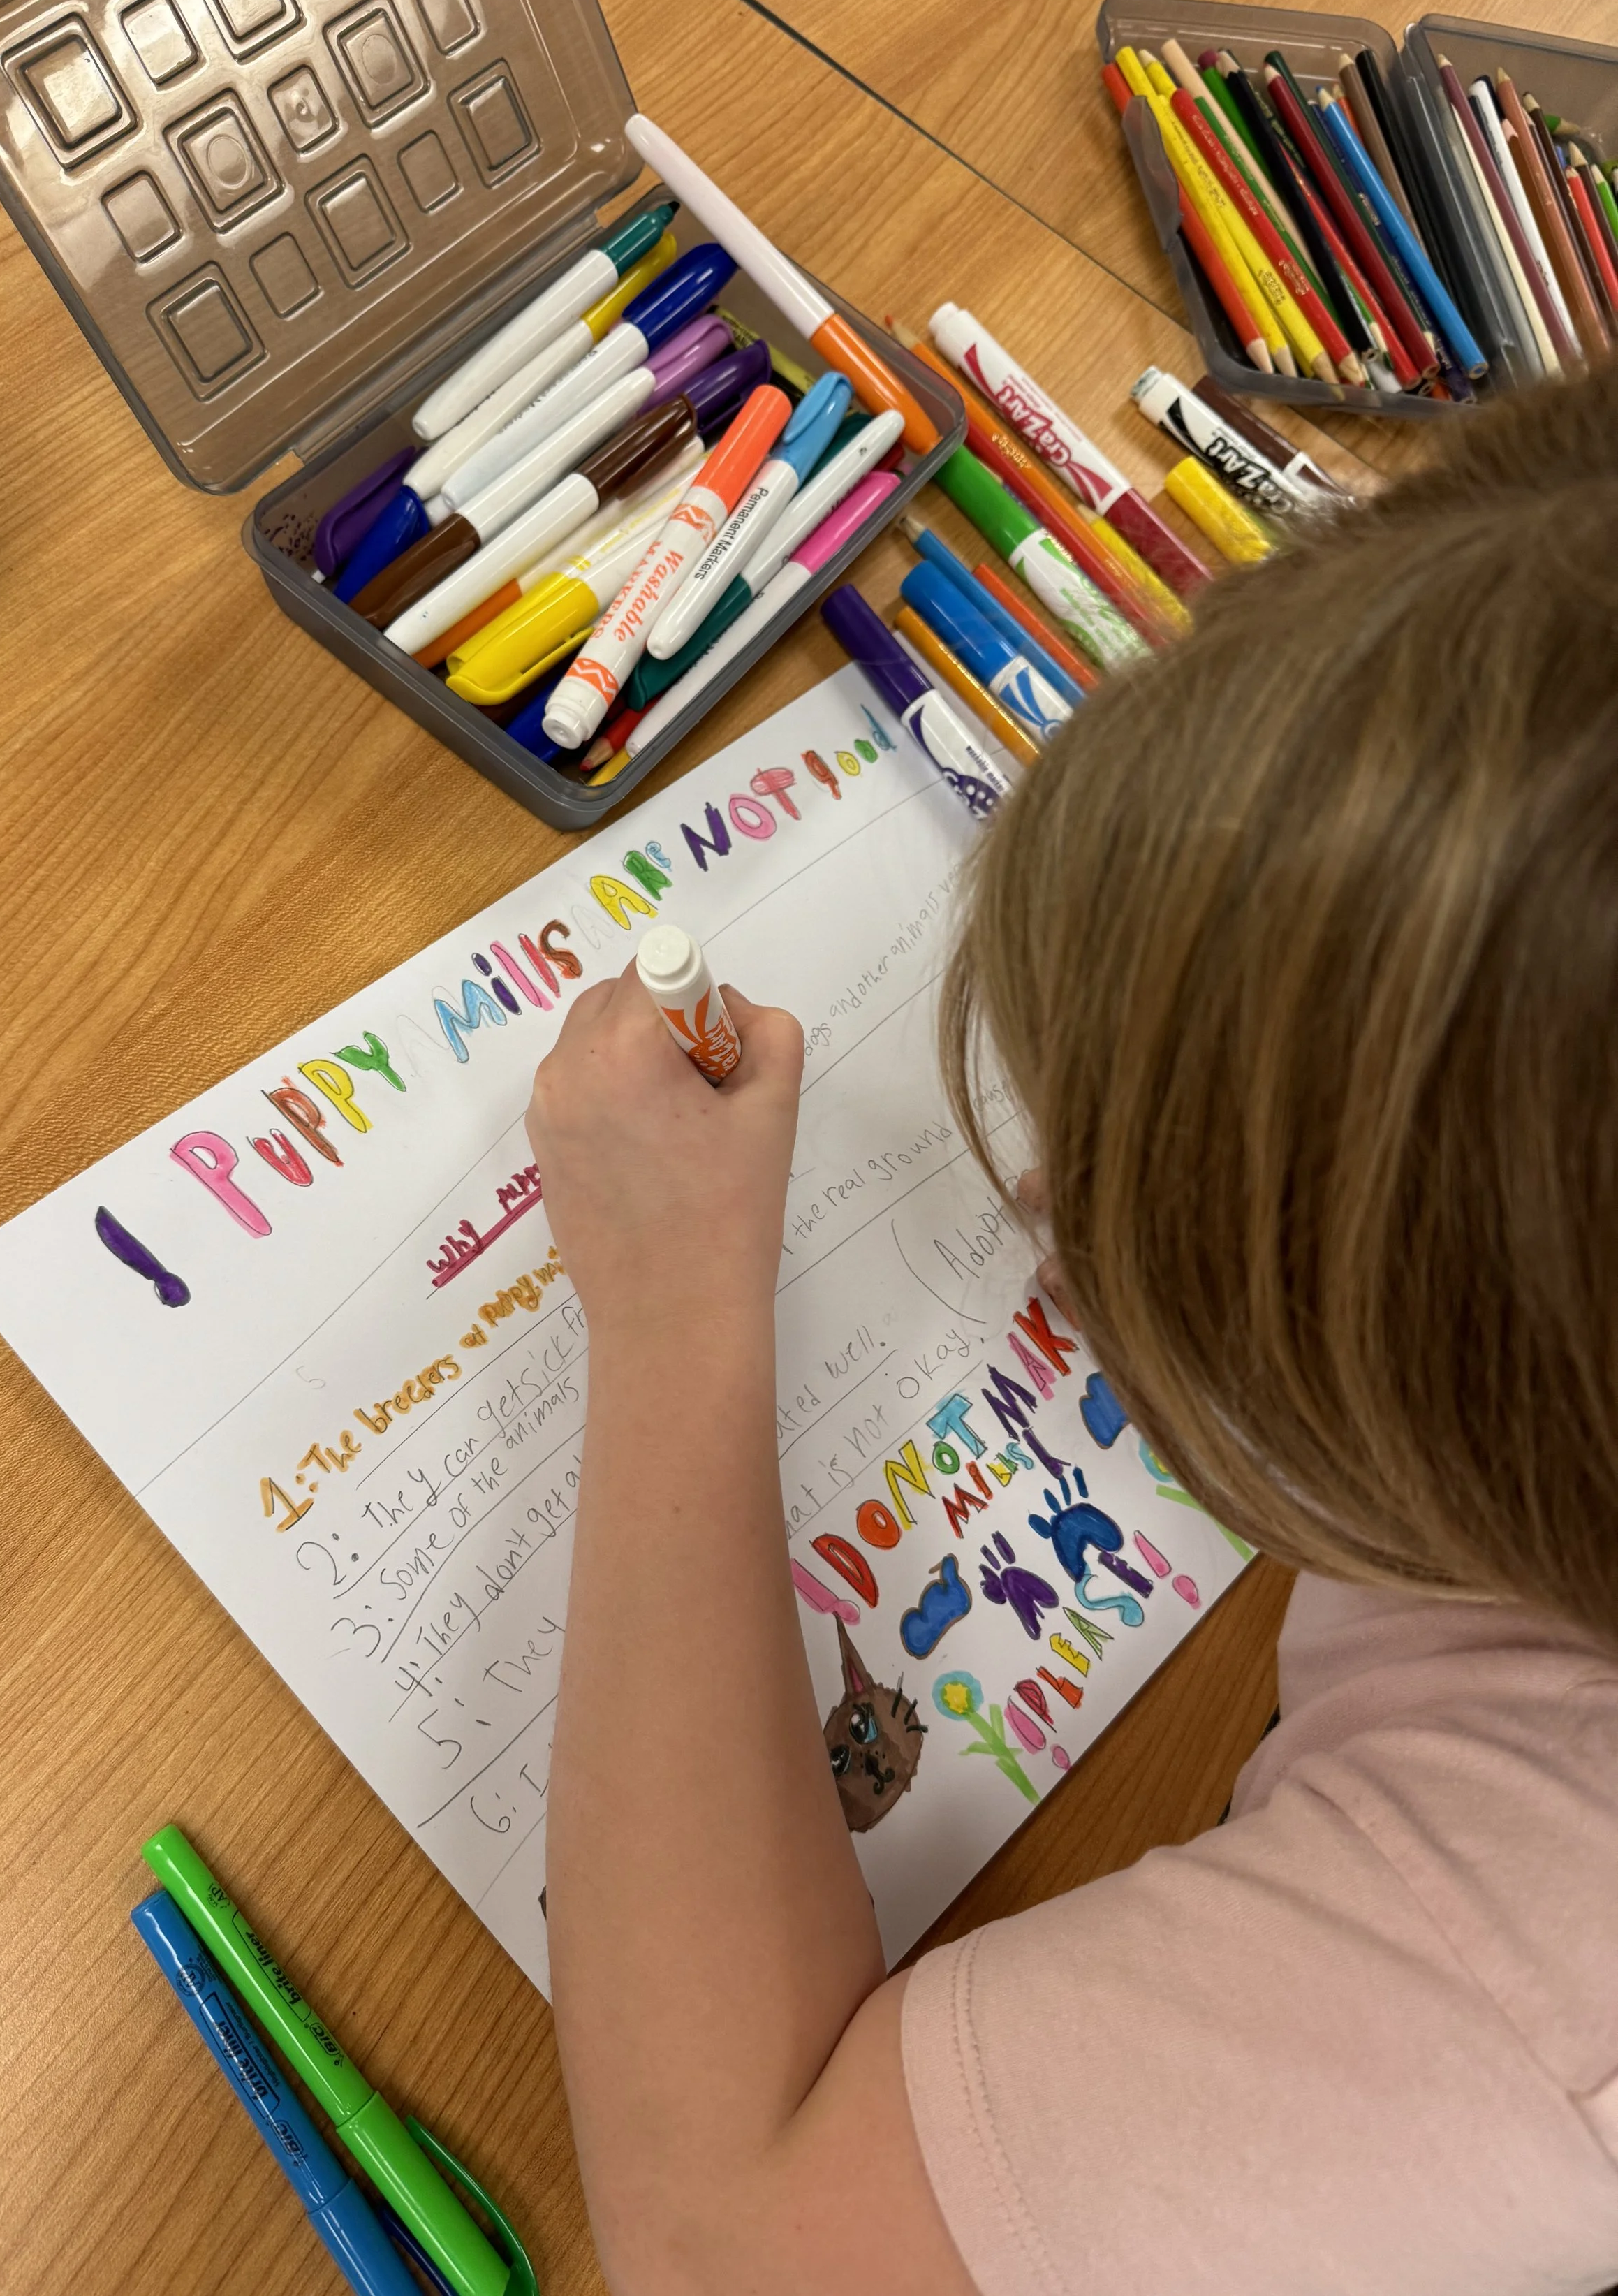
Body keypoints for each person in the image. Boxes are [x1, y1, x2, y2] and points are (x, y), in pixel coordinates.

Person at [524, 362, 1618, 2295]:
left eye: (1160, 1197)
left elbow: (724, 2241)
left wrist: (677, 1303)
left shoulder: (1529, 1976)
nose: (1043, 1222)